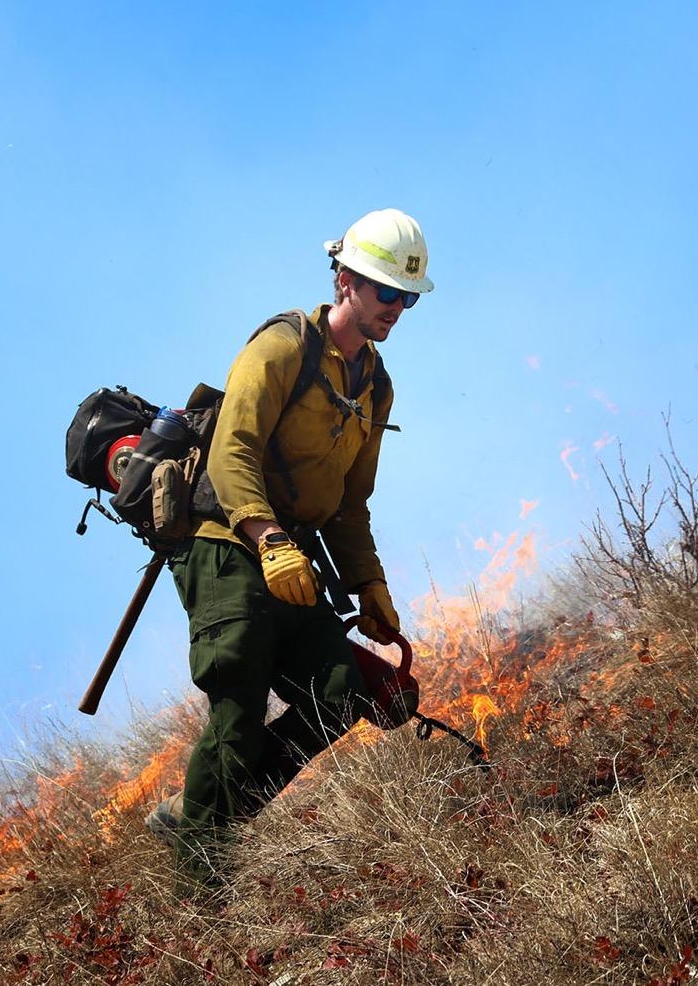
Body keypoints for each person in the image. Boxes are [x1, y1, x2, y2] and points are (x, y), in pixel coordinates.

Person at [146, 208, 434, 889]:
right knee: (238, 699)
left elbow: (350, 502)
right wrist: (266, 535)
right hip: (225, 542)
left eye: (408, 297)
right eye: (386, 291)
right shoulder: (281, 348)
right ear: (345, 281)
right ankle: (198, 887)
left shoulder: (376, 386)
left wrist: (370, 588)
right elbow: (231, 451)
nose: (396, 308)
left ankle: (199, 814)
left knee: (337, 693)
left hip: (294, 562)